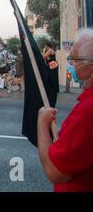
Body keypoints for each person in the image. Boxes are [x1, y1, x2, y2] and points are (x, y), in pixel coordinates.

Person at [37, 29, 93, 192]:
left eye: (73, 59)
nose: (70, 63)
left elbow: (55, 172)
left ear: (89, 67)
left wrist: (42, 124)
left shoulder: (88, 111)